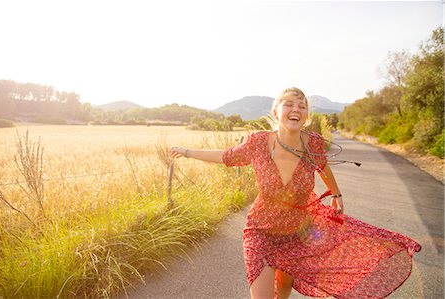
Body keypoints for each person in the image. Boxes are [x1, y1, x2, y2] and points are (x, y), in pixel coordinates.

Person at [169, 87, 421, 299]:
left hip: (295, 234)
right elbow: (226, 156)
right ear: (276, 111)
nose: (296, 109)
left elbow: (322, 167)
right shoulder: (258, 142)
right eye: (289, 104)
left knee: (284, 291)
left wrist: (337, 194)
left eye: (302, 106)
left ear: (306, 115)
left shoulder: (312, 143)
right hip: (260, 230)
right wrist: (187, 151)